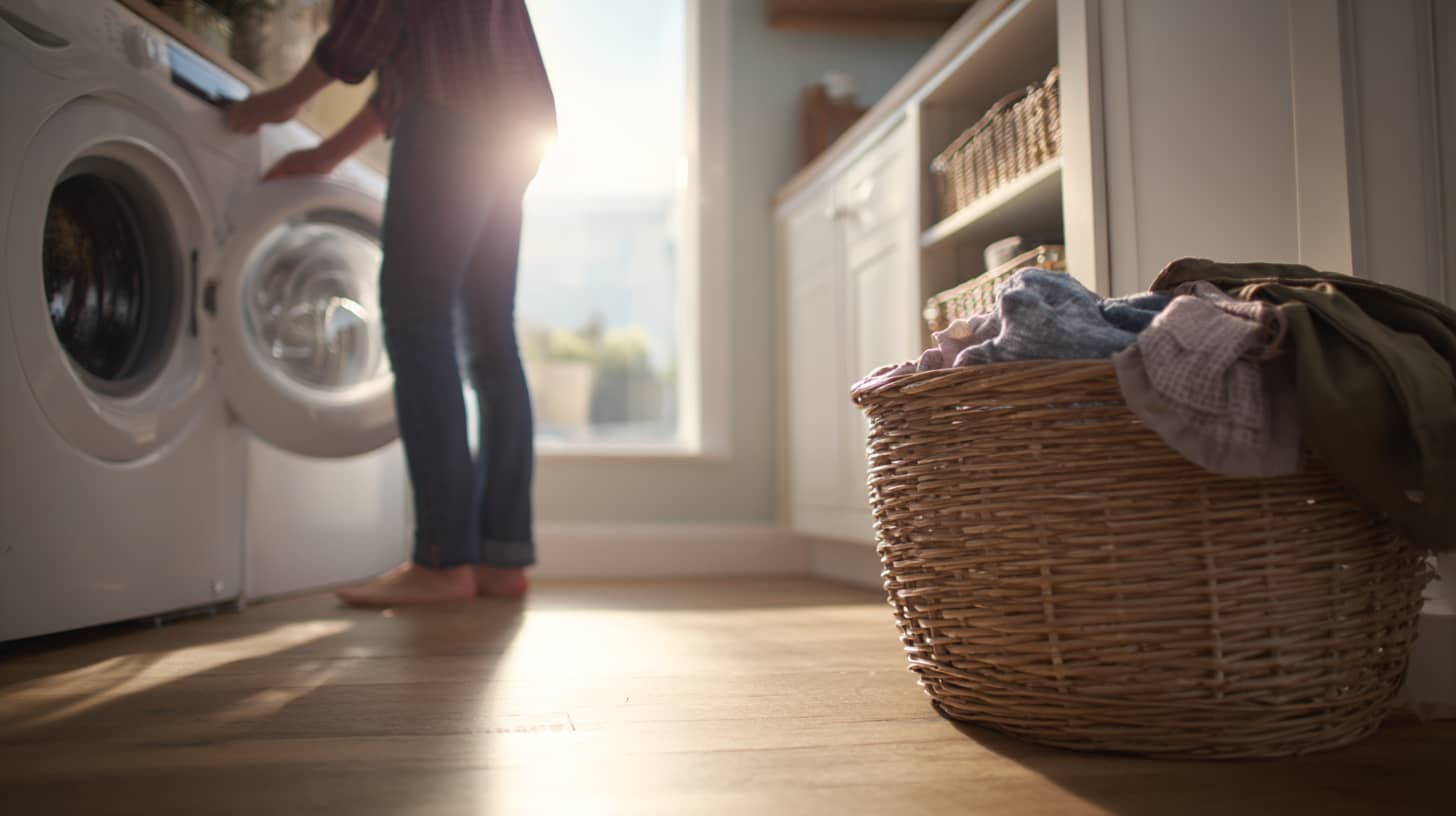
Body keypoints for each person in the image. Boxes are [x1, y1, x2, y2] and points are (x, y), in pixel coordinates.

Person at [224, 0, 556, 607]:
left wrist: (286, 99)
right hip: (514, 124)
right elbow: (402, 80)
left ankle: (443, 559)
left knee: (416, 321)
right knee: (488, 336)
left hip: (454, 120)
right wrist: (327, 154)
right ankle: (500, 559)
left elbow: (372, 21)